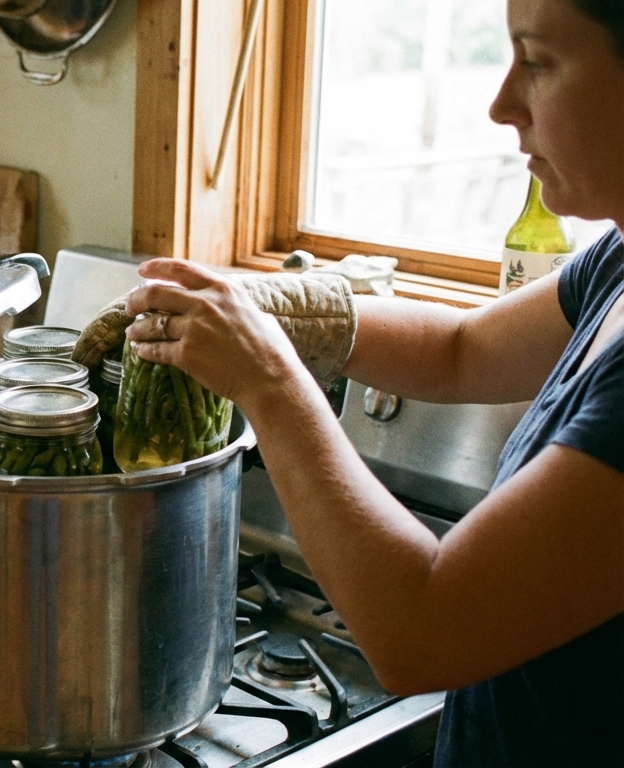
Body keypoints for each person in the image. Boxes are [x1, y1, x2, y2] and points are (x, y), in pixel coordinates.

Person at [120, 0, 624, 764]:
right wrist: (273, 305)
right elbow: (461, 347)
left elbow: (422, 630)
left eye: (538, 60)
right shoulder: (616, 262)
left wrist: (268, 379)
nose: (501, 104)